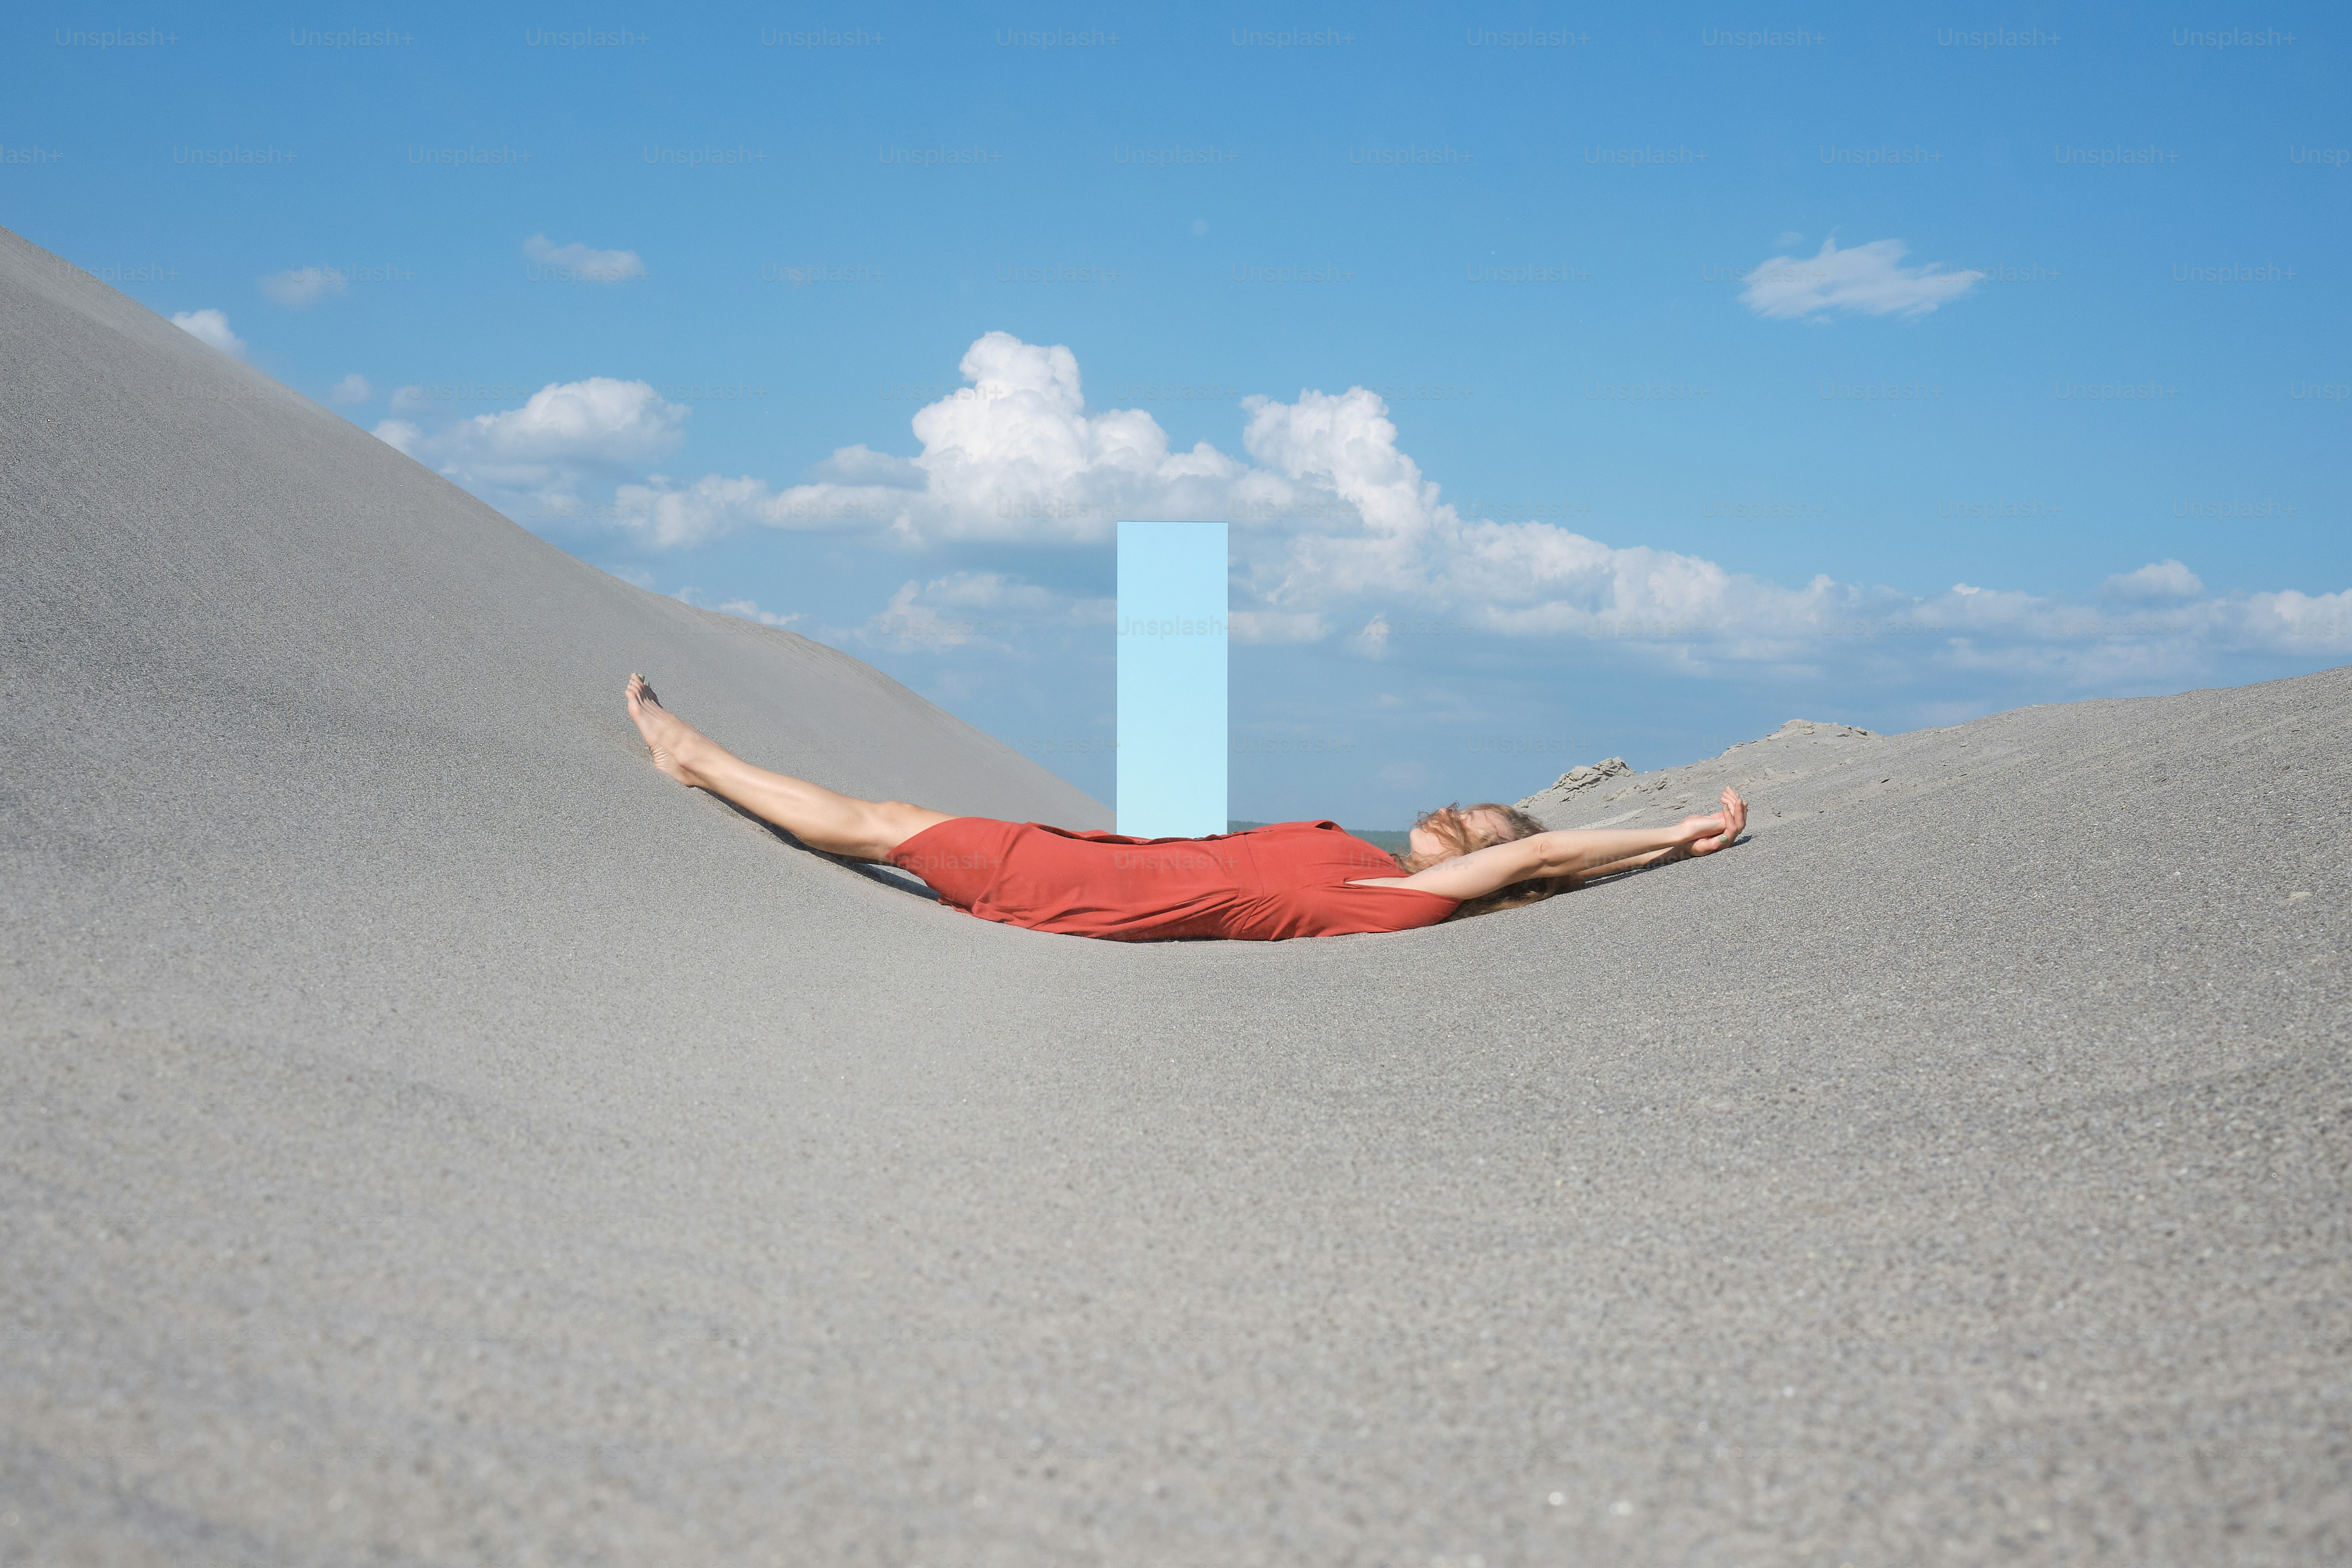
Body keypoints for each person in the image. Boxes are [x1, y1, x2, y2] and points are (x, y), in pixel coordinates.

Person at [625, 674, 1745, 941]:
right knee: (896, 819)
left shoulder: (1397, 901)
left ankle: (694, 760)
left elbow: (1531, 868)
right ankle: (703, 765)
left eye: (1477, 826)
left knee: (883, 824)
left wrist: (1672, 836)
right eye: (1463, 806)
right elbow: (1541, 865)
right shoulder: (1355, 856)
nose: (1452, 817)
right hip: (1090, 859)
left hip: (1073, 891)